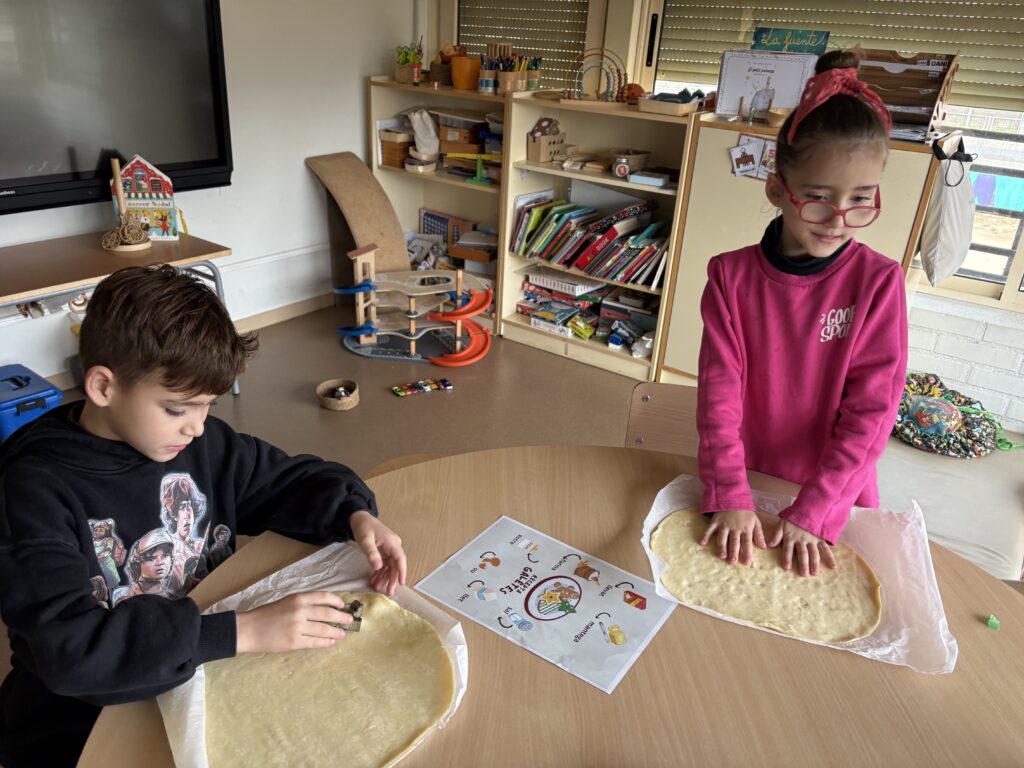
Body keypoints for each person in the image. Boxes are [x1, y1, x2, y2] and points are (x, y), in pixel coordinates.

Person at [0, 265, 407, 767]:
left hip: (199, 664)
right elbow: (70, 650)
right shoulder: (33, 489)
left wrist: (353, 514)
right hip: (80, 718)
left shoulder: (199, 443)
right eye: (178, 409)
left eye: (207, 406)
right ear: (103, 386)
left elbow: (288, 480)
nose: (196, 427)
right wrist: (244, 632)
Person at [697, 50, 908, 577]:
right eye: (818, 198)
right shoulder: (729, 277)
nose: (838, 220)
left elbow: (871, 415)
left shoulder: (879, 283)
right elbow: (718, 397)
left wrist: (817, 510)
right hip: (745, 481)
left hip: (831, 497)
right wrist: (730, 489)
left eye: (860, 200)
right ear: (778, 190)